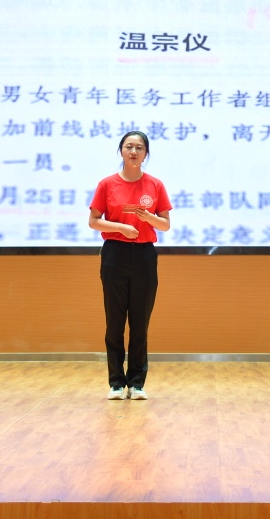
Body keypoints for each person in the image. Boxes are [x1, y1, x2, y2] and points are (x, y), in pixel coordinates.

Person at [88, 131, 171, 401]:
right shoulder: (107, 184)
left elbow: (165, 225)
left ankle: (136, 383)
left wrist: (148, 218)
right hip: (115, 254)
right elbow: (93, 221)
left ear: (146, 153)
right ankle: (115, 382)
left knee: (139, 323)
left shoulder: (155, 185)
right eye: (128, 147)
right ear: (121, 151)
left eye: (139, 148)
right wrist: (121, 228)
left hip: (145, 255)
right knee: (114, 322)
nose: (134, 152)